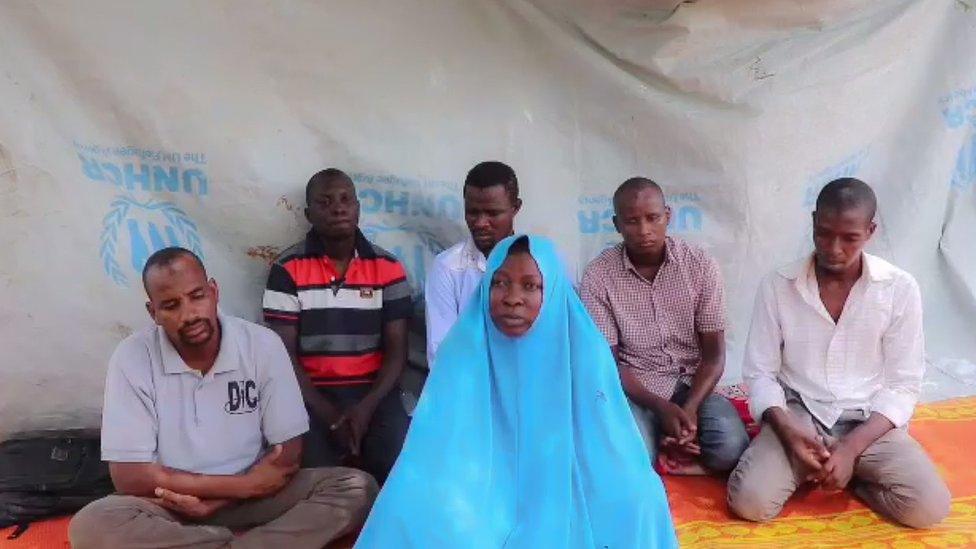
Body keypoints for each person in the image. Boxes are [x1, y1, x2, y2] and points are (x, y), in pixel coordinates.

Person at [355, 235, 678, 548]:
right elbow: (438, 449)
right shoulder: (463, 349)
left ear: (551, 292)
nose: (512, 298)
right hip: (482, 482)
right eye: (500, 283)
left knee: (641, 498)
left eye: (530, 286)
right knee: (411, 505)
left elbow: (608, 442)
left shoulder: (583, 348)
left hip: (564, 475)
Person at [69, 247, 376, 549]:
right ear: (154, 313)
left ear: (214, 292)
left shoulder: (261, 345)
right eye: (171, 305)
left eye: (197, 296)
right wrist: (242, 485)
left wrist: (227, 497)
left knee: (356, 488)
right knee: (92, 525)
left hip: (258, 497)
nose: (189, 314)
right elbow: (130, 477)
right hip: (172, 504)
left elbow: (288, 456)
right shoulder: (132, 357)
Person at [727, 178, 951, 528]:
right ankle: (815, 465)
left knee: (929, 508)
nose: (834, 247)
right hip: (800, 414)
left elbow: (903, 384)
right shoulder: (778, 285)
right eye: (824, 233)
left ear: (870, 231)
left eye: (850, 238)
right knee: (751, 503)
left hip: (867, 420)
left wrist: (850, 449)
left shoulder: (899, 288)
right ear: (814, 221)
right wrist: (787, 430)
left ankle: (855, 476)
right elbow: (759, 373)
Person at [580, 177, 748, 474]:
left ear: (668, 216)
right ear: (617, 225)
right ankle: (661, 436)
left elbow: (714, 356)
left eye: (653, 218)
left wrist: (690, 410)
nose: (644, 230)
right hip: (637, 390)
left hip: (692, 386)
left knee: (731, 449)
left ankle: (674, 436)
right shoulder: (598, 276)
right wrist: (661, 408)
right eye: (631, 221)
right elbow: (608, 365)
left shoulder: (699, 266)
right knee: (632, 456)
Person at [263, 168, 412, 483]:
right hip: (310, 394)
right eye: (325, 202)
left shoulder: (387, 267)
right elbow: (282, 355)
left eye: (346, 199)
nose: (338, 208)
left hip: (374, 393)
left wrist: (365, 409)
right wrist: (332, 417)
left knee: (397, 460)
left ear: (358, 207)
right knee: (314, 476)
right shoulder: (286, 269)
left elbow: (397, 351)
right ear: (308, 214)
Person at [425, 160, 522, 365]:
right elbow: (442, 356)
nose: (480, 223)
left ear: (516, 208)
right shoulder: (447, 268)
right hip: (467, 390)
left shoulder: (541, 265)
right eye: (473, 212)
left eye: (493, 213)